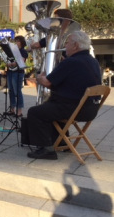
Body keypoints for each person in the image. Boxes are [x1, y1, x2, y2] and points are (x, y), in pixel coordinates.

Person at [23, 31, 101, 160]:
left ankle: (46, 149)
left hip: (74, 109)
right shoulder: (93, 61)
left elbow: (47, 82)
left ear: (75, 45)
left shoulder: (71, 62)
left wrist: (40, 77)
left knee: (35, 112)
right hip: (90, 109)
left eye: (68, 43)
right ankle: (63, 142)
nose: (65, 46)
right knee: (51, 108)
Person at [6, 35, 28, 117]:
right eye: (15, 41)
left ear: (21, 42)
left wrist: (12, 63)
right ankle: (12, 109)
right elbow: (9, 60)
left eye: (18, 41)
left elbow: (21, 61)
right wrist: (8, 63)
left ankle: (19, 111)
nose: (16, 42)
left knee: (17, 91)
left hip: (18, 72)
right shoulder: (12, 51)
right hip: (11, 71)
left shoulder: (23, 51)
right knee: (11, 90)